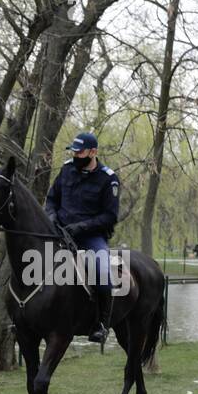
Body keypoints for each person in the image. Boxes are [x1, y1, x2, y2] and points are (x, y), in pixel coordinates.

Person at [44, 131, 120, 343]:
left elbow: (110, 216)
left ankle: (102, 325)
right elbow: (52, 199)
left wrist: (81, 227)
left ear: (93, 152)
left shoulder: (108, 179)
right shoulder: (67, 169)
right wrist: (50, 216)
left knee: (102, 269)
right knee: (30, 258)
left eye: (80, 152)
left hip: (90, 237)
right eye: (74, 152)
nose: (76, 155)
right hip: (59, 232)